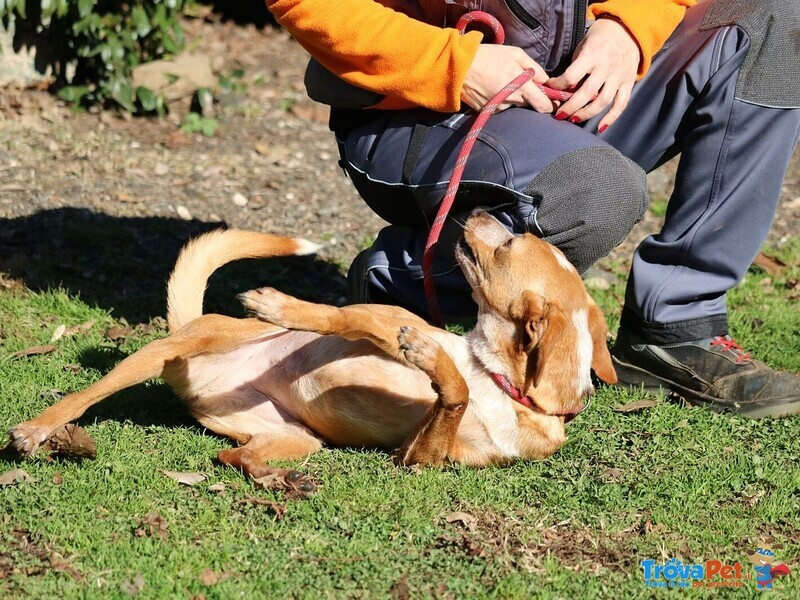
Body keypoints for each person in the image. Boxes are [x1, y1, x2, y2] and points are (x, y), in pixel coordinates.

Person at [265, 0, 800, 418]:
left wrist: (626, 29)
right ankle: (396, 281)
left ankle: (675, 328)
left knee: (768, 20)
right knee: (595, 193)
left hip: (571, 88)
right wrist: (454, 62)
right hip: (419, 112)